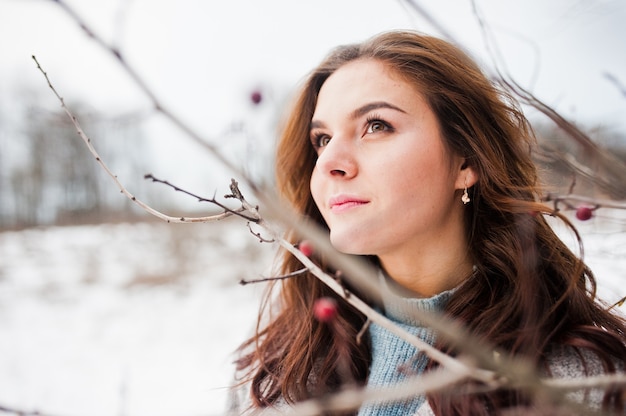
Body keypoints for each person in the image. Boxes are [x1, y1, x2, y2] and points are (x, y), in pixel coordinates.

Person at [229, 30, 626, 415]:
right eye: (322, 140)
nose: (330, 162)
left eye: (376, 126)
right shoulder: (277, 366)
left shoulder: (576, 385)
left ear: (466, 161)